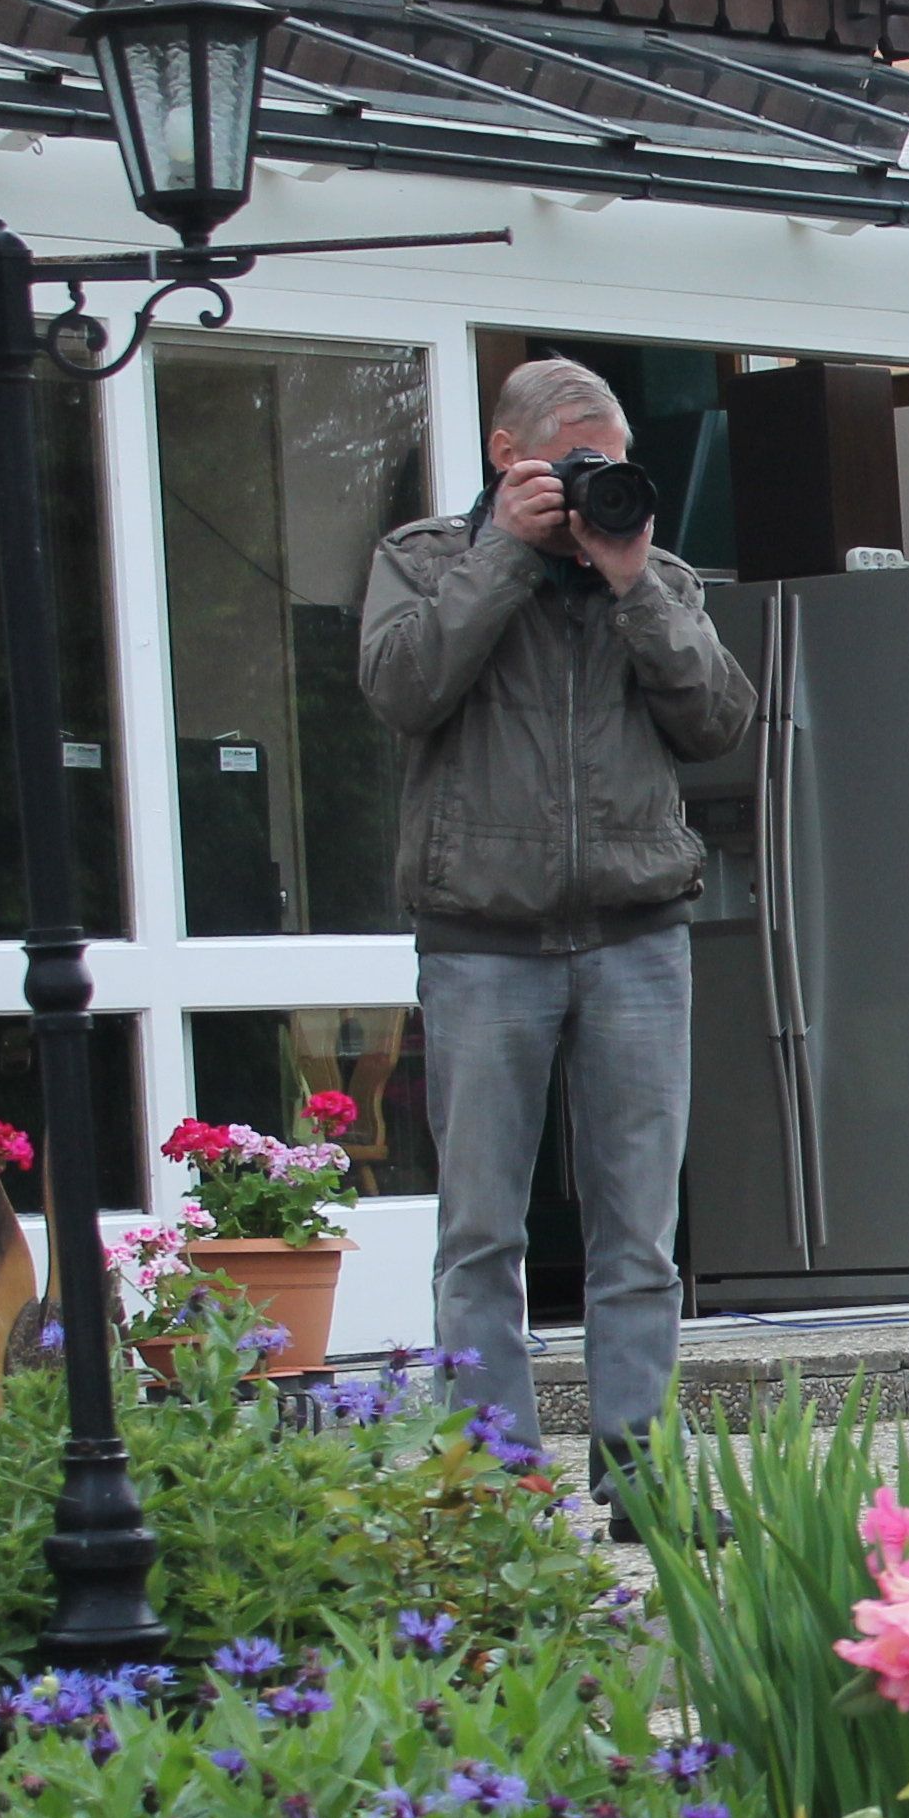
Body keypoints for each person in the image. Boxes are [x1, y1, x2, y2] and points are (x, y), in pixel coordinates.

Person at [357, 354, 755, 1538]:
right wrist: (504, 558)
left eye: (610, 462)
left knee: (640, 1236)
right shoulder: (426, 560)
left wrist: (633, 584)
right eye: (569, 460)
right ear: (505, 454)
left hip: (637, 934)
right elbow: (401, 689)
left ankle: (641, 1482)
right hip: (483, 939)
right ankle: (494, 1484)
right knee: (482, 1232)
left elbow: (721, 721)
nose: (592, 482)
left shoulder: (655, 574)